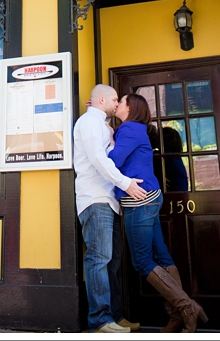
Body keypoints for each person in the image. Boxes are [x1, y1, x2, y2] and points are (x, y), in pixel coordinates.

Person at [109, 93, 208, 333]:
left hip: (139, 200)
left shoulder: (129, 128)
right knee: (161, 256)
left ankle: (186, 307)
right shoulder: (137, 129)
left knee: (142, 261)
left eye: (121, 101)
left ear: (130, 108)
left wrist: (108, 143)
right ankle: (177, 316)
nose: (117, 104)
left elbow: (113, 159)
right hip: (151, 196)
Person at [73, 84, 146, 333]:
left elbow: (108, 153)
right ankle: (100, 320)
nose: (117, 104)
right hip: (95, 199)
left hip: (108, 201)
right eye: (115, 99)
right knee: (99, 259)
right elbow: (98, 159)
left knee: (112, 262)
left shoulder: (101, 124)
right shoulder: (89, 122)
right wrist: (126, 183)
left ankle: (115, 316)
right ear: (101, 99)